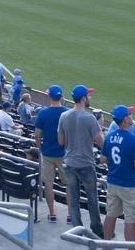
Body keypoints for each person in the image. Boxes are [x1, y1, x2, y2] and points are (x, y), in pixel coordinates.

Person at [57, 84, 103, 236]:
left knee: (74, 199)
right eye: (87, 96)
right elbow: (101, 142)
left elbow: (61, 141)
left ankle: (77, 230)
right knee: (92, 200)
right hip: (86, 164)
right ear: (83, 98)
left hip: (70, 163)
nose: (88, 98)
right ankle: (97, 230)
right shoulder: (89, 118)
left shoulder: (64, 116)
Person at [100, 104, 135, 243]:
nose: (131, 117)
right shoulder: (134, 140)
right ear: (125, 119)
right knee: (130, 220)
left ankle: (105, 245)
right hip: (129, 184)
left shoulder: (110, 136)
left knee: (111, 214)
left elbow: (103, 159)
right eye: (129, 114)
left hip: (113, 181)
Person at [34, 85, 68, 223]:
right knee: (69, 185)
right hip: (65, 154)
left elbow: (37, 135)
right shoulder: (68, 112)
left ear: (49, 96)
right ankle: (70, 215)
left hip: (47, 153)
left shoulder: (43, 113)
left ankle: (52, 213)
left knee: (48, 184)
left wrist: (40, 147)